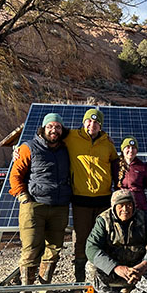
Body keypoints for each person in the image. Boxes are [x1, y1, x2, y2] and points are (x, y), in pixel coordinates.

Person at [8, 113, 71, 293]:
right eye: (51, 126)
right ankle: (26, 290)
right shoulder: (28, 148)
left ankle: (44, 288)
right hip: (34, 205)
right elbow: (16, 174)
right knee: (30, 248)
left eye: (58, 127)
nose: (54, 130)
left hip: (59, 206)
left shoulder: (66, 148)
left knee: (54, 249)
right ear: (43, 128)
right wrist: (23, 196)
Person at [85, 189, 147, 293]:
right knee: (91, 266)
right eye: (120, 206)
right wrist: (115, 267)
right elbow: (91, 248)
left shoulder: (143, 218)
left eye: (129, 204)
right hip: (114, 268)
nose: (125, 209)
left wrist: (143, 265)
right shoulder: (103, 220)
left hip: (137, 269)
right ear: (114, 207)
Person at [64, 108, 119, 282]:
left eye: (96, 122)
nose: (92, 125)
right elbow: (49, 134)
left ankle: (101, 276)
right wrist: (20, 148)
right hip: (81, 199)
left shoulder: (107, 143)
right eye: (89, 121)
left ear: (100, 125)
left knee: (103, 238)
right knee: (81, 238)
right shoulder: (71, 136)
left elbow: (117, 165)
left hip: (103, 200)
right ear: (83, 121)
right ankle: (80, 278)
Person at [116, 136, 147, 212]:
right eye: (128, 147)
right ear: (123, 149)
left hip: (138, 206)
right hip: (121, 206)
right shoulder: (115, 165)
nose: (131, 150)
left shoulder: (142, 167)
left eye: (134, 148)